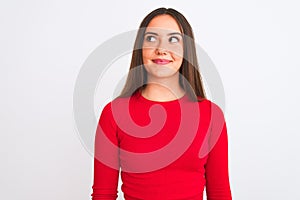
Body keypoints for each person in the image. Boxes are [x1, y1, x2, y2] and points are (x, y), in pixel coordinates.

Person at [91, 7, 232, 200]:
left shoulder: (210, 115)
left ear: (186, 50)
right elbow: (103, 194)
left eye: (173, 40)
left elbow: (220, 194)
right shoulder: (114, 114)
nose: (162, 49)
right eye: (151, 38)